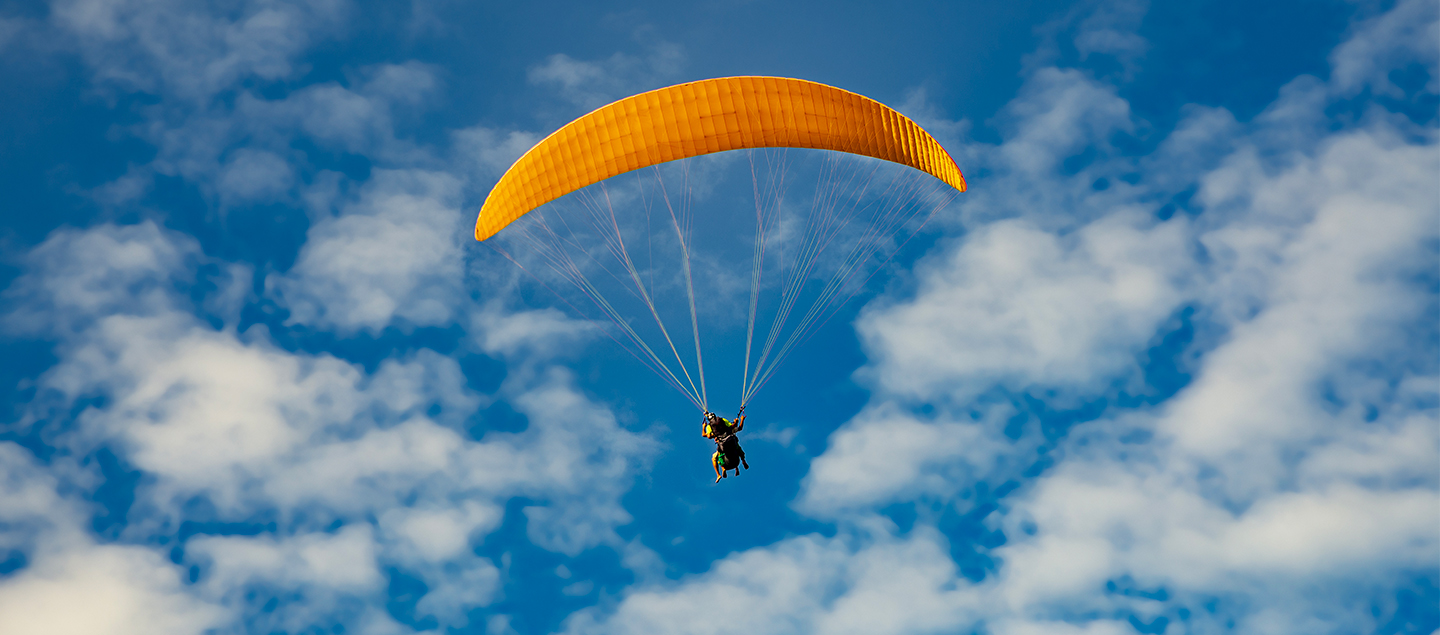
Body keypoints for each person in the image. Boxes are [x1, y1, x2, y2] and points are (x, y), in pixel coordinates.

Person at [702, 411, 748, 483]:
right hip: (732, 441)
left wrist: (703, 427)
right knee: (738, 448)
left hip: (723, 445)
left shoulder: (710, 427)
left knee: (715, 457)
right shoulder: (724, 423)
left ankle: (719, 473)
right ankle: (743, 461)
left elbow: (706, 435)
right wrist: (741, 420)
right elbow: (738, 427)